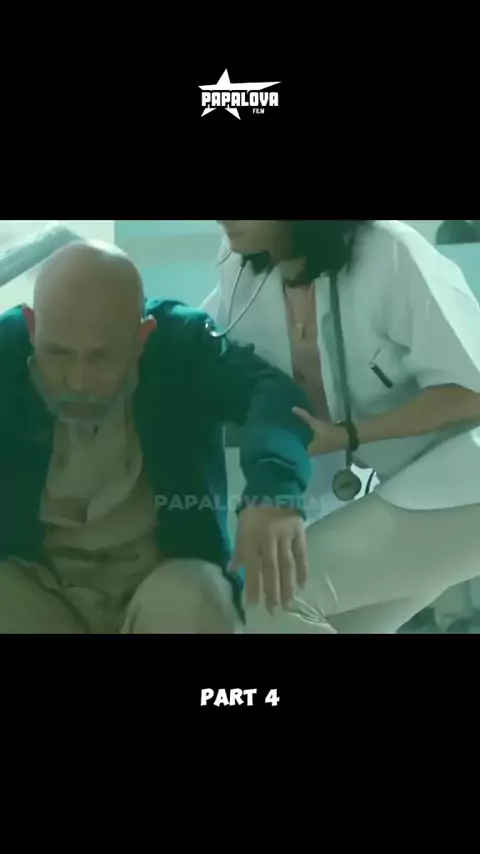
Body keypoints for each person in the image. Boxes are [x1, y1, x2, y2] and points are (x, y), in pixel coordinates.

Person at [0, 238, 326, 634]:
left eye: (101, 357)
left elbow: (272, 393)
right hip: (39, 589)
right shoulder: (6, 350)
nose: (78, 381)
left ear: (142, 337)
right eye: (58, 353)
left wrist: (274, 491)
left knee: (192, 597)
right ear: (33, 326)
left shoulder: (179, 343)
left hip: (162, 585)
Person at [202, 219, 480, 633]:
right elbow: (200, 346)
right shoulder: (241, 267)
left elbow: (471, 390)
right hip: (405, 486)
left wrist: (349, 435)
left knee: (273, 597)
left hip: (464, 482)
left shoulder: (390, 251)